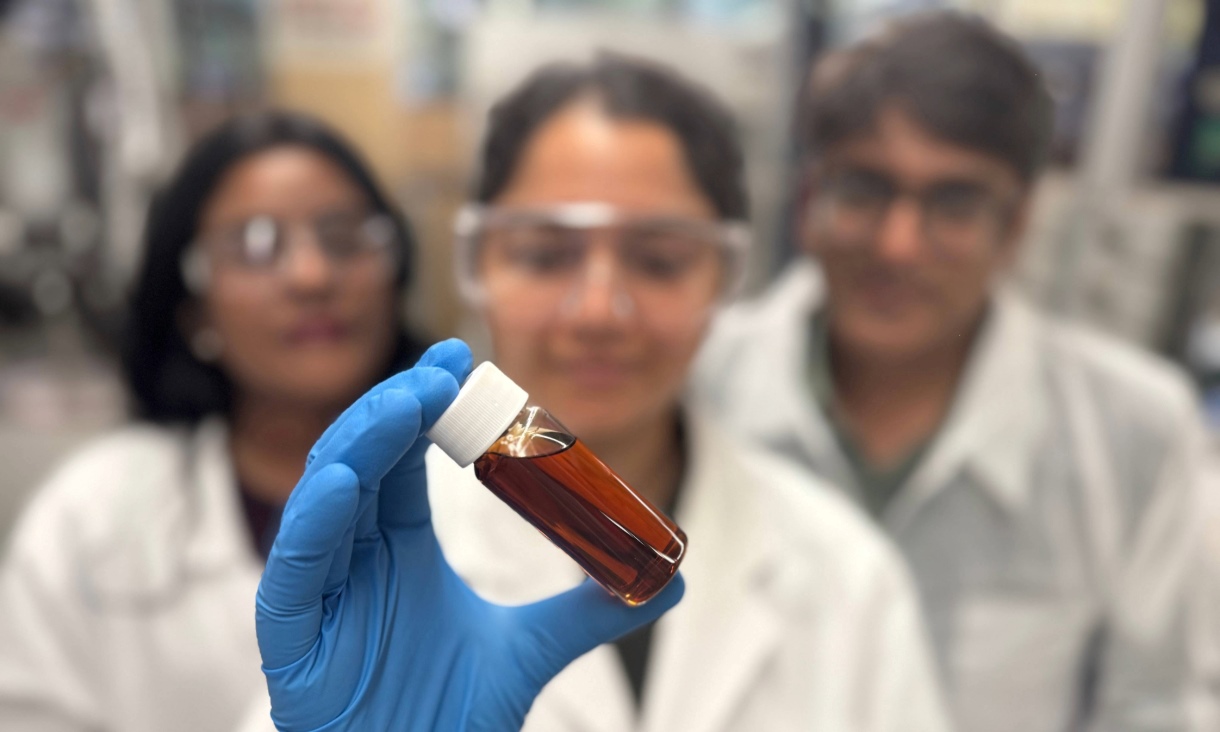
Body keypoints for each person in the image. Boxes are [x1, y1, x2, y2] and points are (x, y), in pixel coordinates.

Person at [252, 53, 951, 732]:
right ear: (477, 264)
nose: (596, 313)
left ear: (724, 277)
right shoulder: (370, 575)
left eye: (659, 261)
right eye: (544, 255)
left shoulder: (846, 574)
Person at [693, 11, 1213, 732]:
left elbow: (1158, 706)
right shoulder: (695, 386)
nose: (899, 245)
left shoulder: (1131, 433)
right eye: (866, 188)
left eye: (954, 202)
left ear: (1017, 225)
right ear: (809, 202)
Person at [0, 110, 427, 731]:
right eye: (255, 246)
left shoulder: (482, 500)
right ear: (193, 308)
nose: (312, 275)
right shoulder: (92, 514)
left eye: (343, 238)